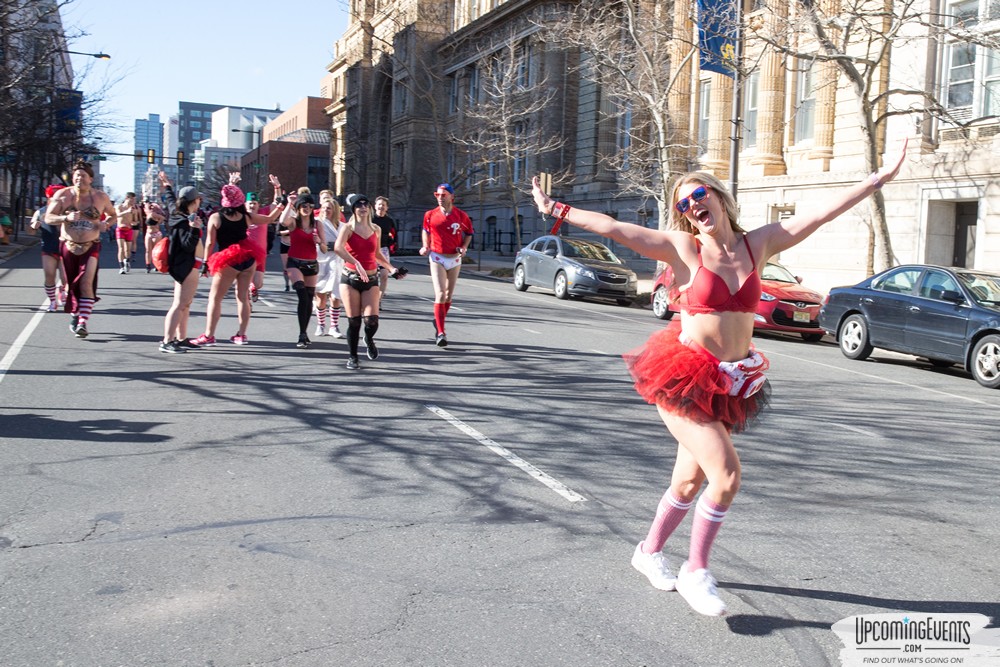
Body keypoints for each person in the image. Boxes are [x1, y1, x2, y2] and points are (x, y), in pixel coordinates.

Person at [530, 142, 907, 617]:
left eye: (699, 195)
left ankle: (647, 552)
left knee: (688, 482)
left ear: (721, 198)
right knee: (725, 476)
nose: (692, 206)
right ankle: (696, 571)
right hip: (683, 378)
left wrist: (876, 180)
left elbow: (817, 216)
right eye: (683, 204)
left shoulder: (758, 244)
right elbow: (616, 228)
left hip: (730, 380)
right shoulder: (684, 247)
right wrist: (557, 208)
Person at [192, 174, 283, 347]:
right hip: (248, 258)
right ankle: (241, 335)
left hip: (228, 260)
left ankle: (209, 335)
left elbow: (210, 242)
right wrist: (282, 205)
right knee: (242, 298)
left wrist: (205, 263)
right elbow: (271, 219)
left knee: (215, 299)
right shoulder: (246, 216)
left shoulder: (216, 217)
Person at [44, 160, 117, 338]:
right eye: (76, 175)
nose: (79, 179)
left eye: (83, 176)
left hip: (90, 245)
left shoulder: (101, 197)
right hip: (68, 245)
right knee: (69, 286)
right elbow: (48, 218)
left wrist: (106, 224)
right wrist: (65, 217)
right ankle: (75, 316)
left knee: (86, 281)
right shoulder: (62, 195)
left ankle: (83, 322)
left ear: (90, 179)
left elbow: (113, 215)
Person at [334, 193, 403, 370]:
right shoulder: (347, 228)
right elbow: (338, 248)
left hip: (371, 278)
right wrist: (356, 263)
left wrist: (392, 269)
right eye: (359, 205)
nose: (363, 208)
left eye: (366, 205)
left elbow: (377, 254)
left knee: (372, 321)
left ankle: (369, 338)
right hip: (350, 278)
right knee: (354, 321)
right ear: (354, 209)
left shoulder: (376, 229)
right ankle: (353, 357)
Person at [420, 183, 474, 347]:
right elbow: (425, 230)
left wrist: (464, 247)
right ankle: (441, 332)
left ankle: (438, 320)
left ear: (452, 197)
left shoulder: (461, 215)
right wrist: (425, 245)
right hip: (437, 257)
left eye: (443, 195)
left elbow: (469, 233)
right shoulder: (430, 215)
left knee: (449, 296)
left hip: (455, 258)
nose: (440, 198)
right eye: (437, 195)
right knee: (441, 294)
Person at [156, 172, 205, 353]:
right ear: (194, 201)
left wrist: (168, 185)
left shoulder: (175, 212)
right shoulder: (186, 222)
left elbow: (170, 200)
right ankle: (167, 341)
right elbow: (187, 245)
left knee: (186, 304)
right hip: (187, 266)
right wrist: (194, 229)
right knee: (180, 304)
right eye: (198, 199)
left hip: (185, 265)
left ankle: (181, 338)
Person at [282, 193, 328, 348]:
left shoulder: (318, 225)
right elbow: (282, 221)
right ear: (298, 208)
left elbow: (324, 248)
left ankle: (304, 332)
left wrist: (319, 241)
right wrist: (289, 204)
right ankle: (301, 335)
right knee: (302, 294)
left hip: (311, 264)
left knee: (309, 298)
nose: (306, 208)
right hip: (294, 262)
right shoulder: (294, 223)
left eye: (309, 206)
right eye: (303, 206)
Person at [29, 185, 68, 311]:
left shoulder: (68, 212)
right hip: (48, 248)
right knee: (49, 275)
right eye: (53, 196)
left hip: (65, 248)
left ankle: (62, 290)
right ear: (49, 198)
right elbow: (30, 231)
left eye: (60, 196)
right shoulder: (40, 212)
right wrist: (33, 226)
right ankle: (52, 302)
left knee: (66, 278)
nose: (57, 199)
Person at [314, 198, 346, 339]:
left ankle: (334, 326)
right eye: (324, 208)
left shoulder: (343, 226)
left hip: (337, 262)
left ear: (335, 211)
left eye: (329, 208)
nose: (326, 211)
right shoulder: (316, 222)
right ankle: (321, 324)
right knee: (320, 296)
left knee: (335, 295)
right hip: (320, 260)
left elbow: (347, 244)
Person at [371, 196, 397, 296]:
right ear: (375, 206)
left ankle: (379, 300)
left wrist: (393, 245)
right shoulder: (370, 219)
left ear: (387, 208)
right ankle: (371, 297)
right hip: (371, 250)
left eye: (383, 205)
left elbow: (394, 234)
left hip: (383, 249)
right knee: (372, 276)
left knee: (384, 275)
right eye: (379, 204)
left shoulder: (389, 221)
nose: (381, 207)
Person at [114, 192, 138, 274]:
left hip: (129, 229)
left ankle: (127, 261)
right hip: (120, 229)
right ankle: (121, 267)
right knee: (121, 248)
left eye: (134, 200)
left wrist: (134, 223)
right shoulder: (119, 207)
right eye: (132, 199)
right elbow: (117, 215)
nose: (133, 201)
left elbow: (135, 220)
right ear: (127, 198)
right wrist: (127, 211)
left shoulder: (133, 209)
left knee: (127, 249)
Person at [143, 200, 166, 273]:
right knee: (148, 250)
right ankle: (148, 266)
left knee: (156, 251)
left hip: (156, 233)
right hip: (148, 234)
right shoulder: (147, 214)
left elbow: (163, 218)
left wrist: (158, 223)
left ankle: (156, 265)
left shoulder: (153, 214)